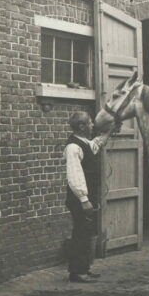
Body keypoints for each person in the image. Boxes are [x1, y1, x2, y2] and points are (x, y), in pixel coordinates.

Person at [64, 111, 118, 283]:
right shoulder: (73, 147)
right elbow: (74, 176)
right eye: (89, 123)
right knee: (81, 233)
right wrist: (84, 199)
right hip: (80, 200)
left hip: (86, 199)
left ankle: (83, 269)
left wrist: (109, 131)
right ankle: (77, 272)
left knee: (86, 233)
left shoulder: (84, 143)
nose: (92, 126)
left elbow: (95, 145)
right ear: (81, 126)